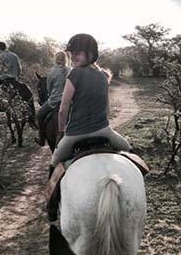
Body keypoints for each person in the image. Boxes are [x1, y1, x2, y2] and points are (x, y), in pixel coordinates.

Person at [49, 33, 132, 176]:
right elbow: (107, 109)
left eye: (78, 53)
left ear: (90, 54)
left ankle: (50, 198)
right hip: (104, 131)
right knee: (129, 151)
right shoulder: (103, 76)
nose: (74, 57)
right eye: (72, 53)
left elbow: (63, 109)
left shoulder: (74, 74)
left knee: (54, 163)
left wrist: (61, 132)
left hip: (75, 134)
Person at [35, 51, 70, 146]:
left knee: (39, 115)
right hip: (70, 101)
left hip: (55, 101)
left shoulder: (52, 72)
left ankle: (41, 138)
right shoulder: (70, 70)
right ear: (66, 59)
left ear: (55, 59)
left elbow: (49, 89)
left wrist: (52, 95)